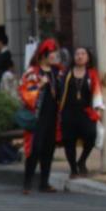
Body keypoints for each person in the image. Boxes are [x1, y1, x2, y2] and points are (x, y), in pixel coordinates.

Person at [19, 40, 64, 194]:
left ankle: (44, 183)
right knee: (34, 149)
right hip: (37, 117)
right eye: (52, 53)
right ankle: (27, 183)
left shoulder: (58, 71)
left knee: (49, 149)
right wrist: (39, 86)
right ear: (43, 55)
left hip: (53, 116)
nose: (54, 56)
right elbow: (25, 92)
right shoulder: (32, 72)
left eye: (55, 53)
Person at [59, 46, 104, 179]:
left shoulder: (92, 73)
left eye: (83, 53)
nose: (79, 56)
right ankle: (73, 168)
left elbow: (97, 92)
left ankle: (82, 160)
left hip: (85, 111)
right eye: (77, 53)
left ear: (88, 57)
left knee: (91, 135)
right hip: (68, 112)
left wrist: (98, 110)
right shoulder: (66, 73)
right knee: (69, 141)